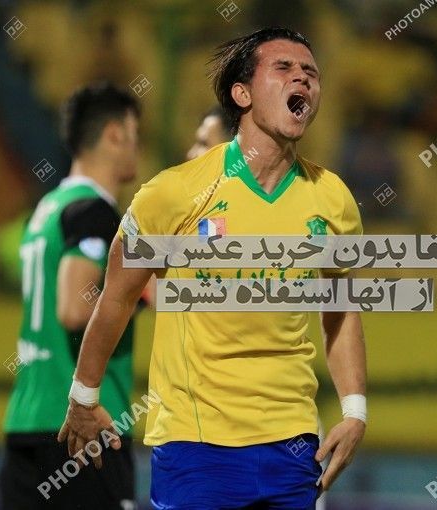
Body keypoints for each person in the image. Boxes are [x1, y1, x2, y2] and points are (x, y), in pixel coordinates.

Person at [58, 27, 367, 509]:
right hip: (195, 446)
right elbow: (116, 297)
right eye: (284, 68)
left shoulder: (333, 199)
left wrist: (354, 410)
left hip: (293, 445)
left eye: (311, 72)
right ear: (242, 94)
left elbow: (342, 309)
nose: (302, 79)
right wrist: (83, 395)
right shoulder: (172, 193)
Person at [0, 83, 141, 509]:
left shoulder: (45, 211)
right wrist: (135, 292)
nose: (138, 148)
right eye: (135, 135)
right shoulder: (94, 211)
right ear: (114, 134)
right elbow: (75, 308)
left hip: (26, 420)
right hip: (82, 428)